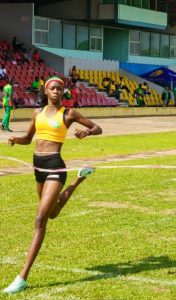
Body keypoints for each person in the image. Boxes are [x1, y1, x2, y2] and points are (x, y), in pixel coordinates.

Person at [2, 76, 102, 294]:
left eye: (60, 88)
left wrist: (87, 131)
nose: (57, 91)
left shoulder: (68, 113)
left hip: (55, 166)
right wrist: (16, 140)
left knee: (40, 220)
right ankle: (80, 178)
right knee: (53, 213)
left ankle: (22, 277)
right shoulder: (37, 113)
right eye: (53, 88)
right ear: (46, 91)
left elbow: (98, 128)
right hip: (38, 165)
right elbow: (29, 138)